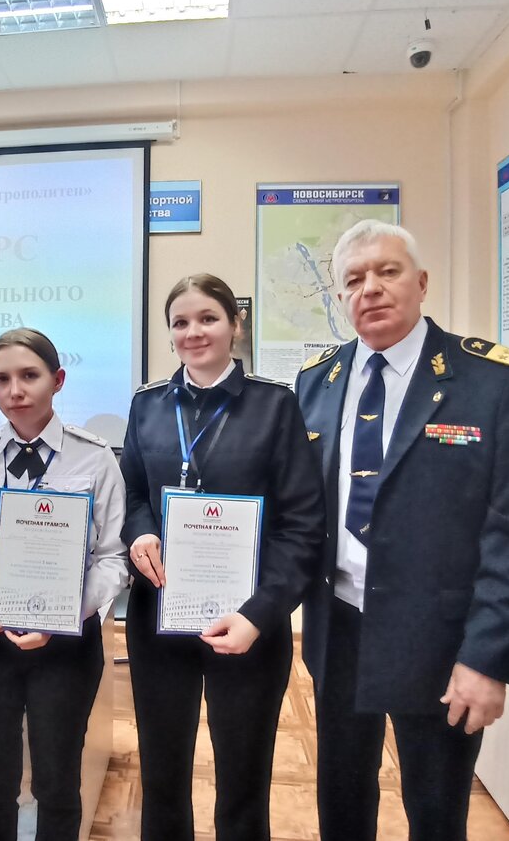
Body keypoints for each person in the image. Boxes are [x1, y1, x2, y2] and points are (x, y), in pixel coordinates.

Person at [296, 219, 509, 841]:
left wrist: (487, 658)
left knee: (437, 812)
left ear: (421, 282)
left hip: (439, 640)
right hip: (340, 625)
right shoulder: (316, 380)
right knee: (341, 800)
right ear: (339, 299)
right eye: (354, 280)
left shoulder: (488, 379)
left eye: (387, 272)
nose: (371, 290)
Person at [119, 274, 324, 841]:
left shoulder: (276, 406)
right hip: (159, 614)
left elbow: (302, 526)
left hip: (247, 621)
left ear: (235, 325)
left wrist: (260, 615)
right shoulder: (147, 405)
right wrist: (139, 535)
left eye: (208, 318)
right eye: (180, 322)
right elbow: (134, 494)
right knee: (161, 771)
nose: (193, 332)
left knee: (243, 776)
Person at [0, 328, 128, 841]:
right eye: (1, 379)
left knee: (58, 785)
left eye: (29, 376)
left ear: (57, 381)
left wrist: (65, 613)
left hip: (63, 647)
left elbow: (112, 558)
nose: (15, 389)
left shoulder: (95, 458)